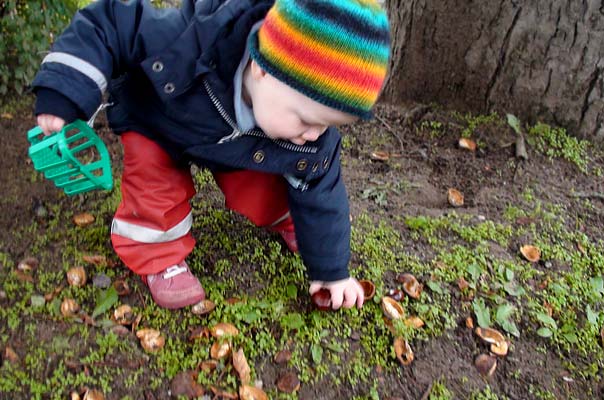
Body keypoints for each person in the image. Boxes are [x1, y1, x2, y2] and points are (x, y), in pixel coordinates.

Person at [32, 0, 391, 310]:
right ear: (261, 68)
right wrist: (66, 90)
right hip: (160, 117)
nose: (314, 134)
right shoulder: (184, 39)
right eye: (307, 120)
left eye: (327, 125)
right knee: (155, 184)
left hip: (239, 142)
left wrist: (331, 270)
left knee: (279, 182)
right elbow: (108, 22)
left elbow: (322, 190)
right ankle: (158, 256)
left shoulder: (305, 132)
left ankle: (290, 221)